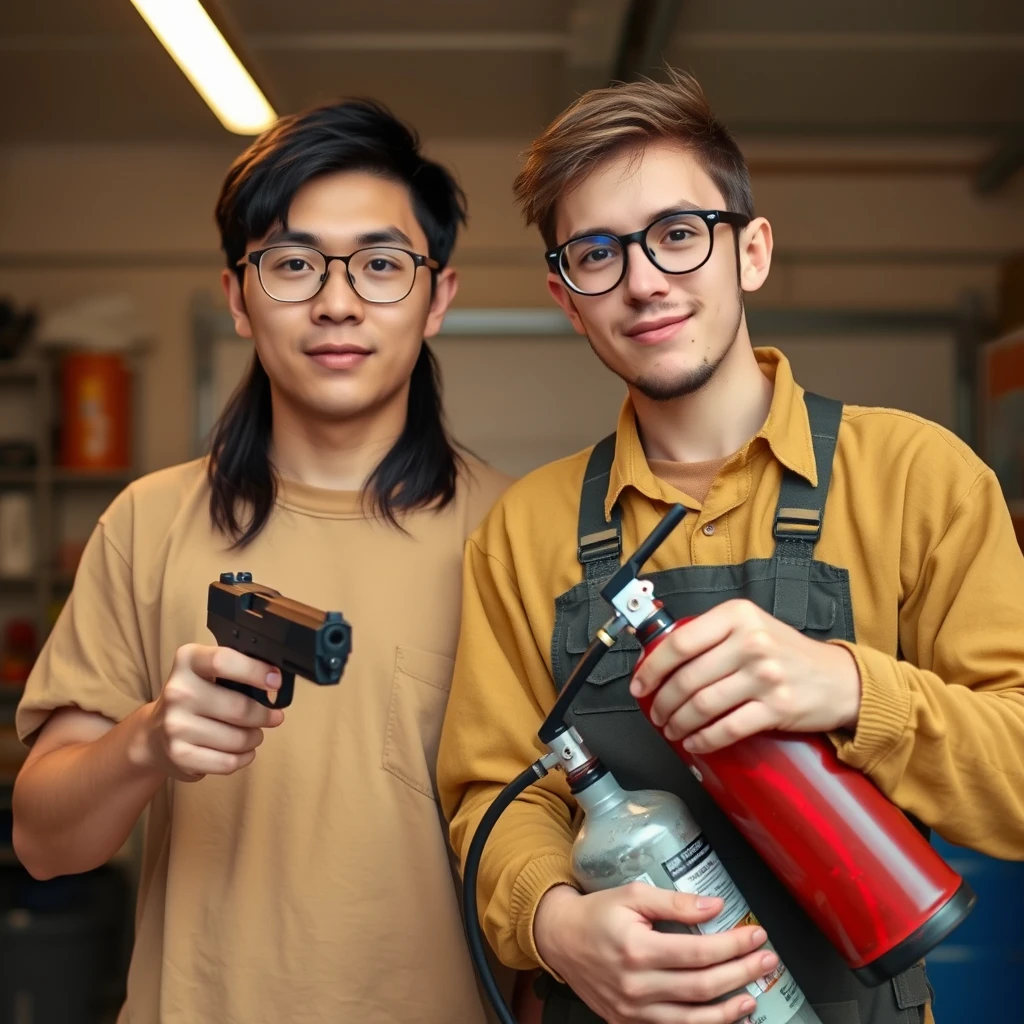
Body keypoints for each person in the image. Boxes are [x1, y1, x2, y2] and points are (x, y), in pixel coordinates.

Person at [437, 66, 1024, 1024]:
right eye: (598, 253)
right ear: (564, 295)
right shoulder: (525, 531)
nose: (643, 283)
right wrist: (554, 926)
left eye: (677, 235)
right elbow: (496, 795)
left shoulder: (920, 478)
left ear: (750, 250)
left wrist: (851, 689)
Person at [12, 98, 512, 1024]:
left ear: (438, 296)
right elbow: (44, 844)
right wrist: (148, 740)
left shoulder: (520, 536)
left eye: (381, 265)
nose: (336, 301)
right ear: (240, 300)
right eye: (291, 264)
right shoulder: (147, 523)